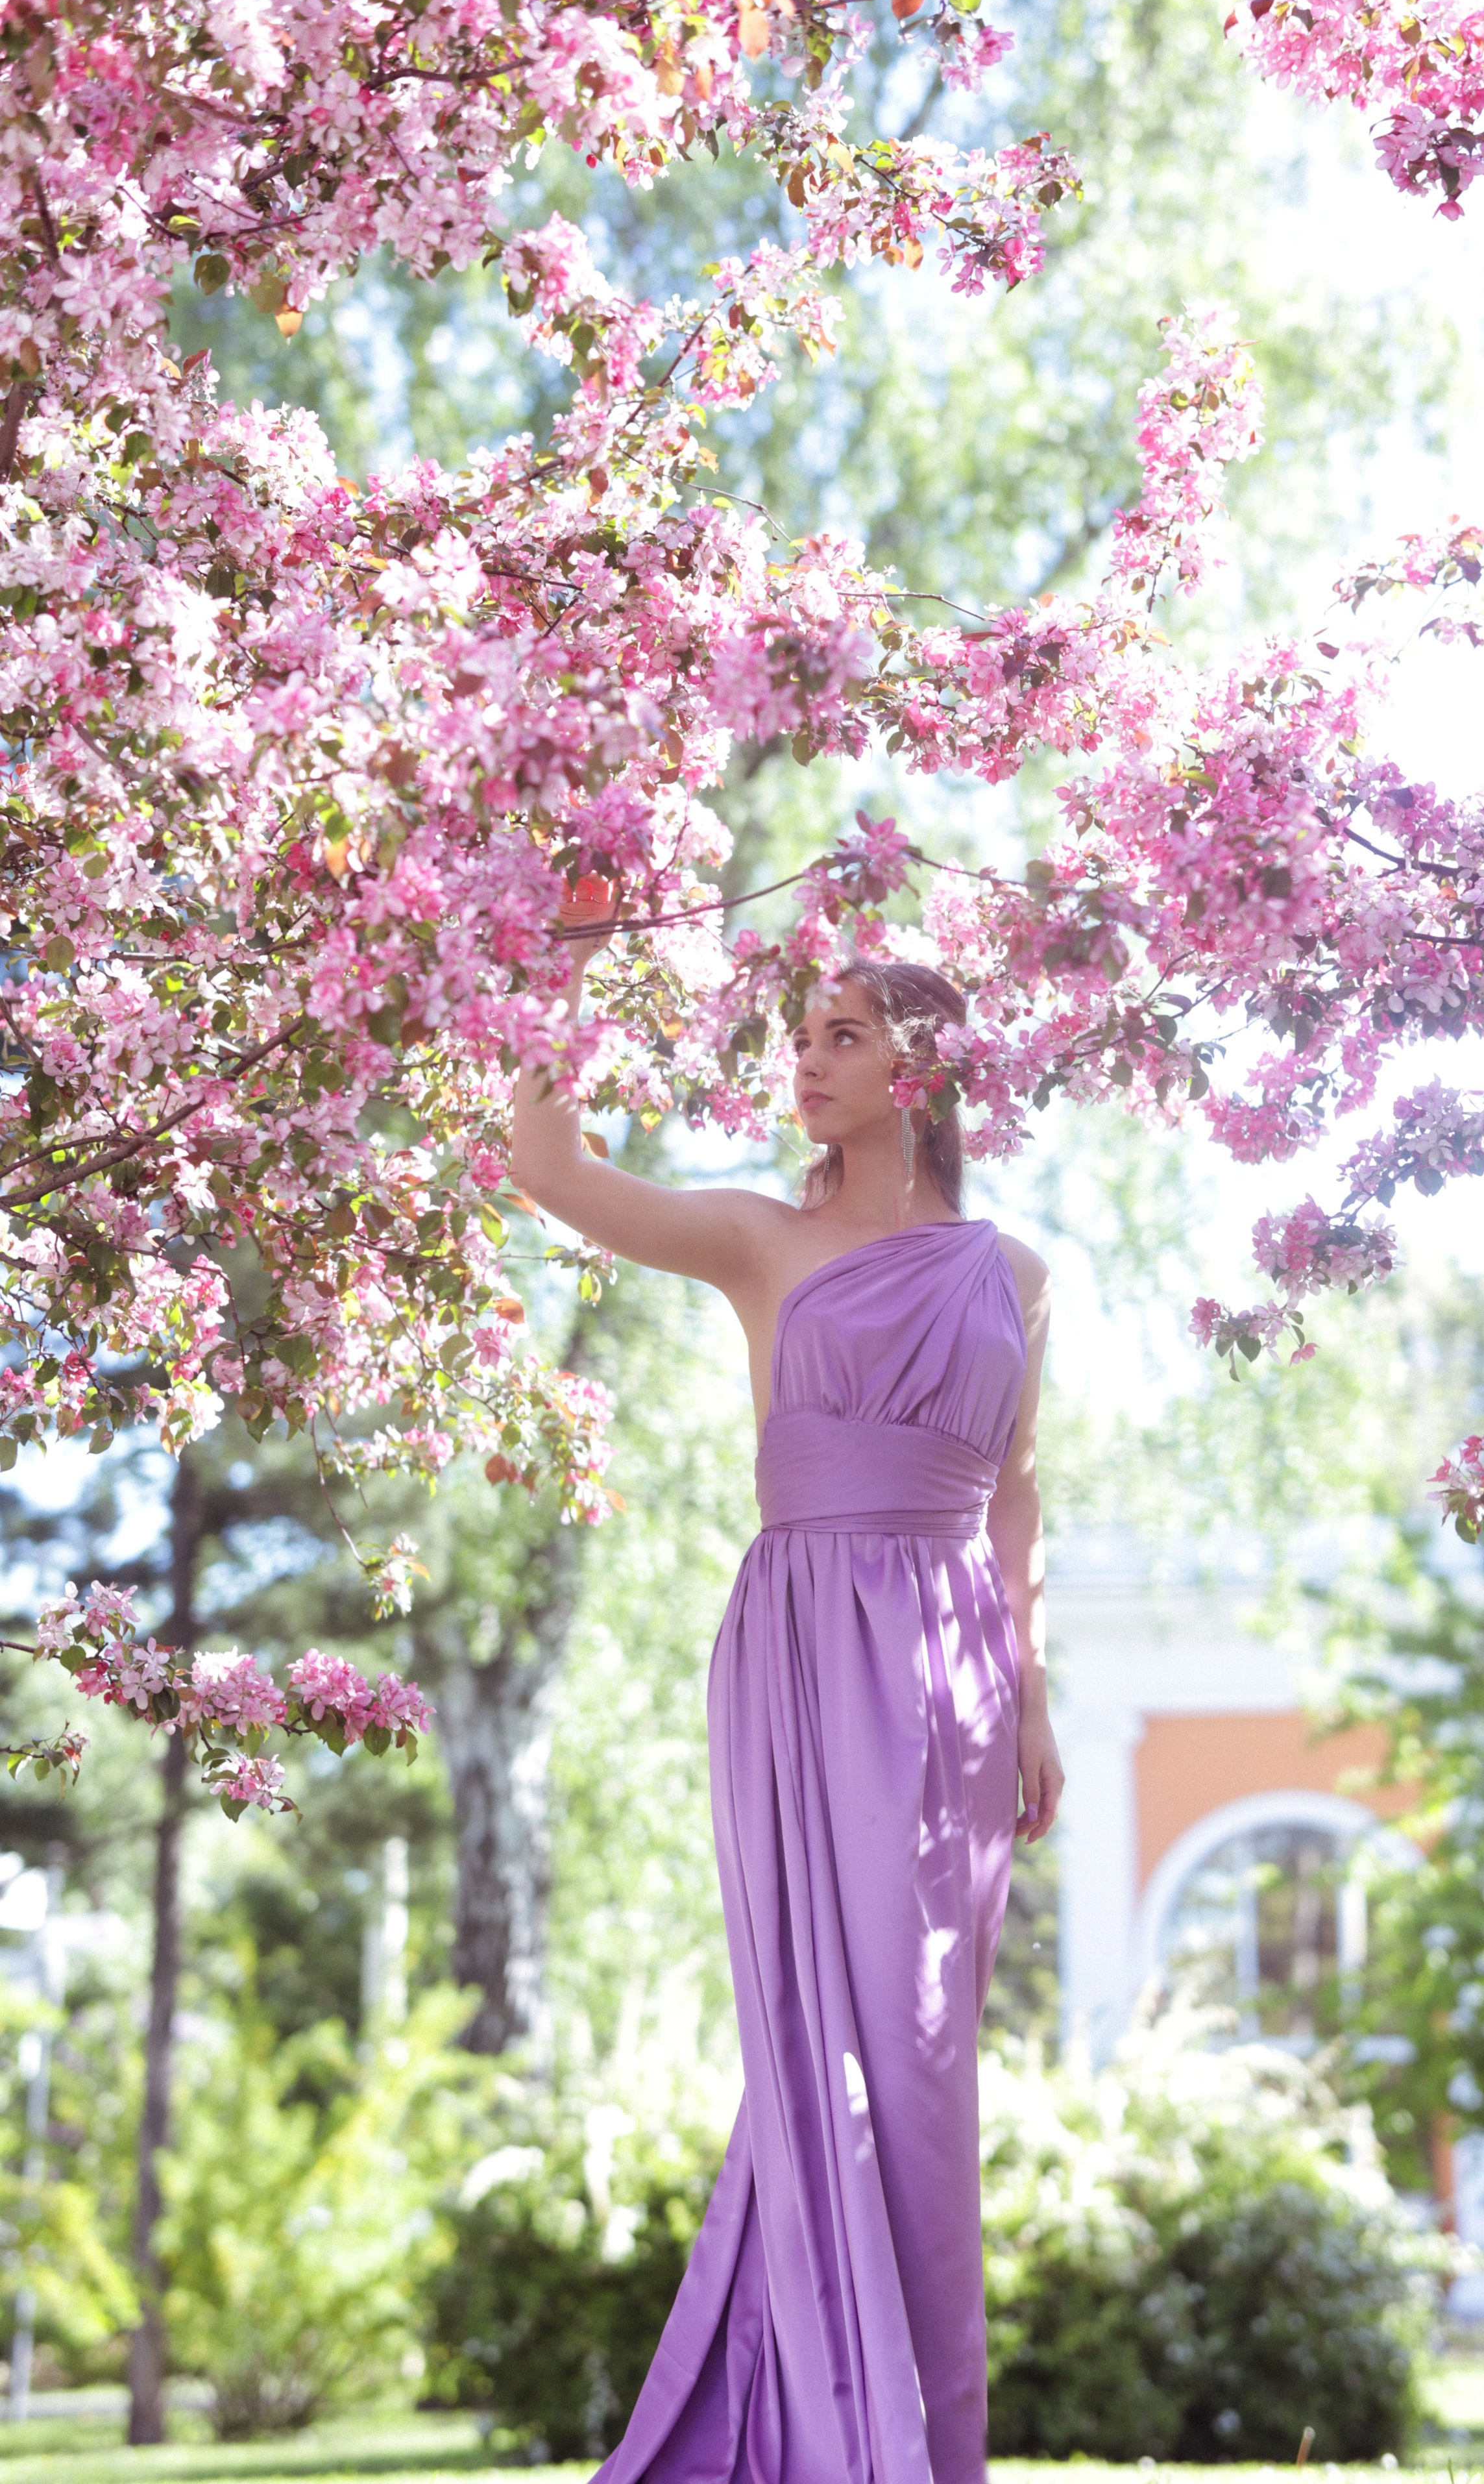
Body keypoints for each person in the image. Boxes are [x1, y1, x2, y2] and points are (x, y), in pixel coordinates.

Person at [512, 878, 1063, 2484]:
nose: (805, 1059)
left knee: (921, 2059)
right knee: (823, 2037)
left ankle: (916, 2446)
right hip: (801, 1648)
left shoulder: (1016, 1274)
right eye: (796, 1034)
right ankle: (816, 2430)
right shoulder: (760, 1238)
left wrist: (1030, 1691)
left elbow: (1019, 1485)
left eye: (842, 1033)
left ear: (926, 1067)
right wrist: (565, 944)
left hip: (956, 1663)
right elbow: (543, 1167)